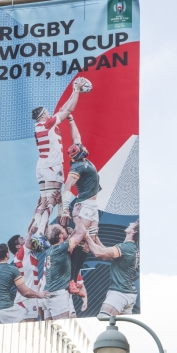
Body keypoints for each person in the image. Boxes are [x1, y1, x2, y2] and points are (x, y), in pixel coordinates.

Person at [31, 77, 88, 248]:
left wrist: (73, 92)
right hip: (51, 167)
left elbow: (65, 109)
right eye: (47, 112)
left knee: (44, 201)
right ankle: (40, 234)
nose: (50, 113)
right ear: (43, 115)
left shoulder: (43, 126)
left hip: (42, 166)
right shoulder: (46, 124)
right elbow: (68, 109)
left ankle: (37, 230)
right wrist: (76, 89)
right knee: (52, 201)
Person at [60, 114, 101, 294]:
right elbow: (67, 186)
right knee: (78, 242)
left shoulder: (80, 158)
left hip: (92, 208)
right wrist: (65, 209)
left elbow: (76, 138)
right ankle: (68, 279)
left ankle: (73, 279)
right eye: (81, 148)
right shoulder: (77, 167)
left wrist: (70, 119)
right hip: (83, 206)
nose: (83, 147)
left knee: (86, 245)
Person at [0, 243, 49, 324]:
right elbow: (25, 292)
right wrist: (39, 294)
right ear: (7, 254)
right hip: (4, 311)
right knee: (26, 331)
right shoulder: (11, 269)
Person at [85, 220, 139, 316]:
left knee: (103, 319)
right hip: (128, 294)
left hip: (120, 293)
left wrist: (87, 237)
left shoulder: (126, 248)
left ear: (134, 231)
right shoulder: (131, 248)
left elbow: (99, 253)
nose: (130, 223)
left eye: (133, 224)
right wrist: (96, 240)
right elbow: (106, 255)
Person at [41, 224, 77, 320]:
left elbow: (66, 242)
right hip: (57, 293)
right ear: (60, 236)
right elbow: (81, 233)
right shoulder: (60, 248)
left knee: (50, 331)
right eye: (62, 231)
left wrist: (71, 234)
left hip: (48, 292)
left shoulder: (51, 249)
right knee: (63, 328)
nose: (65, 231)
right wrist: (77, 218)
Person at [8, 227, 41, 322]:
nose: (25, 238)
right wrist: (31, 232)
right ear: (18, 246)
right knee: (29, 328)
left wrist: (35, 217)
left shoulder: (25, 253)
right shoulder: (21, 253)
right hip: (26, 298)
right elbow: (29, 236)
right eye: (22, 238)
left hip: (29, 295)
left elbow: (28, 234)